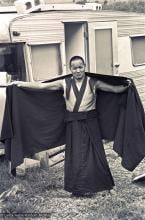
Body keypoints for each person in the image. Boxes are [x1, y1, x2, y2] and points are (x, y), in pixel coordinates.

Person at [13, 56, 130, 197]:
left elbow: (114, 90)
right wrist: (20, 83)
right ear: (70, 69)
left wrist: (127, 86)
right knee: (75, 156)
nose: (78, 70)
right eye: (74, 68)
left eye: (80, 67)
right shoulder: (64, 83)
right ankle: (77, 189)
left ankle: (107, 185)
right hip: (73, 123)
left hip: (90, 122)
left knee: (97, 154)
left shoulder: (93, 82)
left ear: (84, 66)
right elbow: (41, 86)